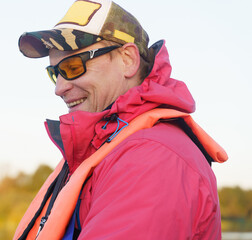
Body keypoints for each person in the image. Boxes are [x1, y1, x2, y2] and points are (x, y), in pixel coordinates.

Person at [14, 0, 228, 239]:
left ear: (128, 59)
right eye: (54, 73)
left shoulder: (153, 157)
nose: (60, 88)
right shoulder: (108, 149)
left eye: (73, 66)